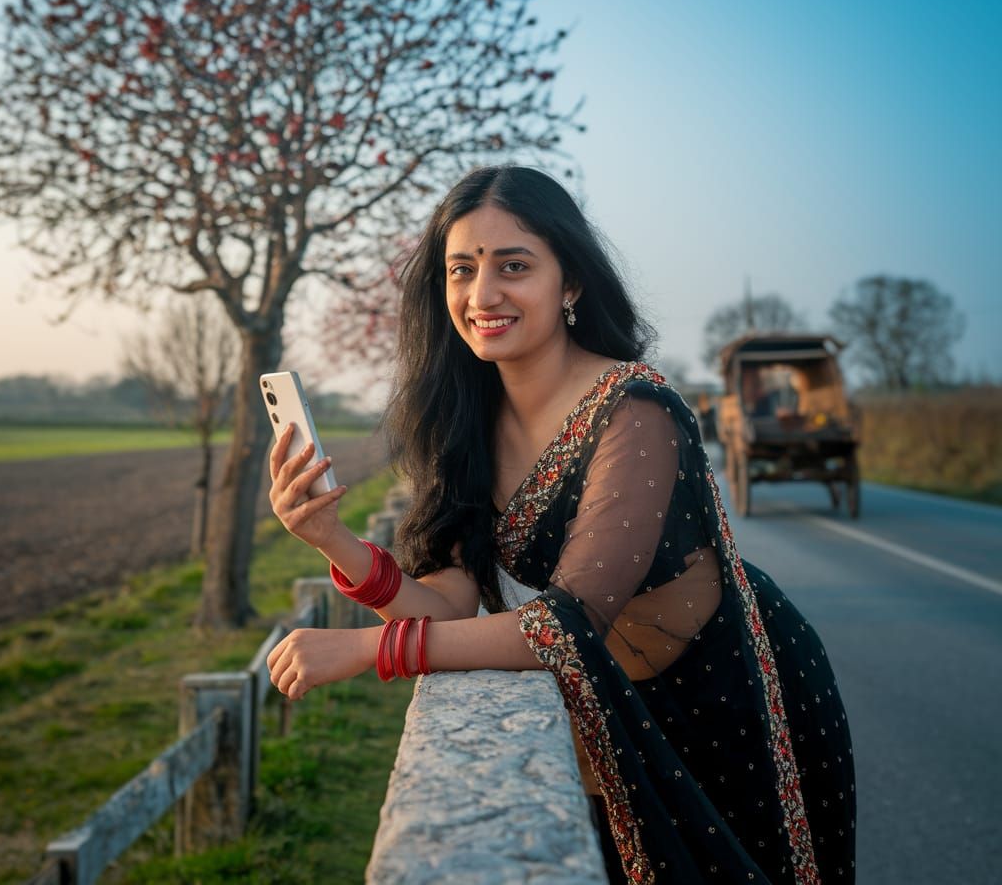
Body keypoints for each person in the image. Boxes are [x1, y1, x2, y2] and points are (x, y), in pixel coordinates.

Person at [266, 166, 856, 884]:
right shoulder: (466, 422)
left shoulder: (634, 409)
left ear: (569, 282)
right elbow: (450, 602)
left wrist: (373, 649)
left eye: (513, 266)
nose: (483, 295)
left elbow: (568, 624)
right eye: (462, 270)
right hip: (610, 703)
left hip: (726, 696)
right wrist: (331, 540)